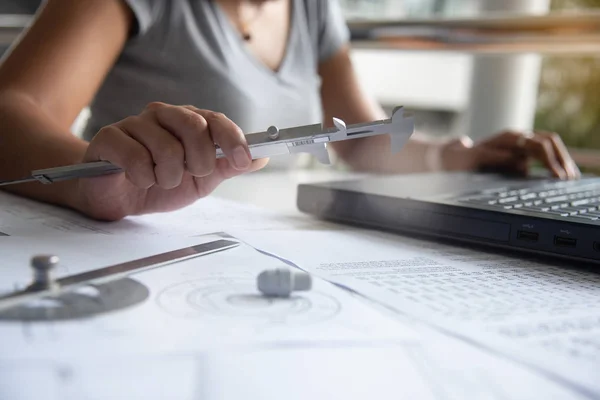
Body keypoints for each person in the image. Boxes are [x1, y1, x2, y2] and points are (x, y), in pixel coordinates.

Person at [0, 0, 580, 221]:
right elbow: (9, 108)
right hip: (144, 248)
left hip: (283, 248)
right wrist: (92, 183)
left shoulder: (312, 9)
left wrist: (466, 154)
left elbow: (360, 138)